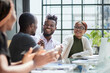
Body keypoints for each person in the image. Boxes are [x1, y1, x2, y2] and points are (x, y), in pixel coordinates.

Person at [0, 0, 59, 73]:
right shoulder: (24, 37)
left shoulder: (9, 36)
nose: (37, 27)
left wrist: (24, 63)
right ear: (8, 15)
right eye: (14, 13)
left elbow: (7, 66)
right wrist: (34, 63)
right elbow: (3, 70)